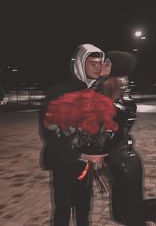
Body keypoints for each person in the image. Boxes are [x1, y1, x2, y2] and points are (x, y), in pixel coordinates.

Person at [93, 51, 156, 226]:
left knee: (133, 219)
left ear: (116, 69)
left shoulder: (120, 101)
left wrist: (94, 151)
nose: (101, 66)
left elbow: (110, 131)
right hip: (116, 165)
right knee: (119, 214)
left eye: (106, 63)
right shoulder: (106, 91)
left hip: (124, 166)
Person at [39, 43, 108, 226]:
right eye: (92, 63)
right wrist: (79, 154)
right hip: (64, 163)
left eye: (100, 63)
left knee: (84, 209)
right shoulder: (58, 92)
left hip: (86, 165)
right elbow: (49, 133)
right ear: (80, 63)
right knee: (63, 210)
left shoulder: (95, 92)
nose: (97, 67)